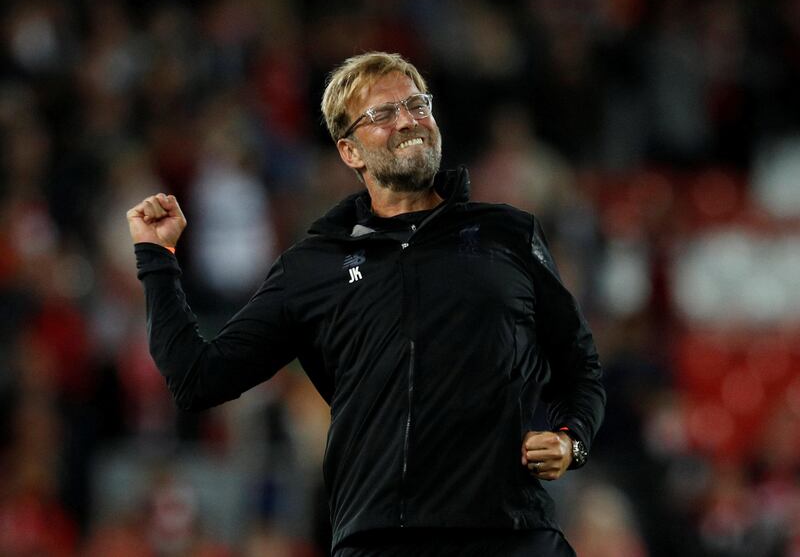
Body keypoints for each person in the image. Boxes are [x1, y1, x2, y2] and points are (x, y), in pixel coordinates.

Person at [127, 52, 605, 556]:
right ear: (349, 151)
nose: (408, 120)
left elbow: (579, 363)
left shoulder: (507, 233)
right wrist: (157, 258)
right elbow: (196, 379)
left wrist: (572, 442)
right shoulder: (313, 267)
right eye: (382, 114)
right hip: (381, 541)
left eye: (418, 105)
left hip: (513, 535)